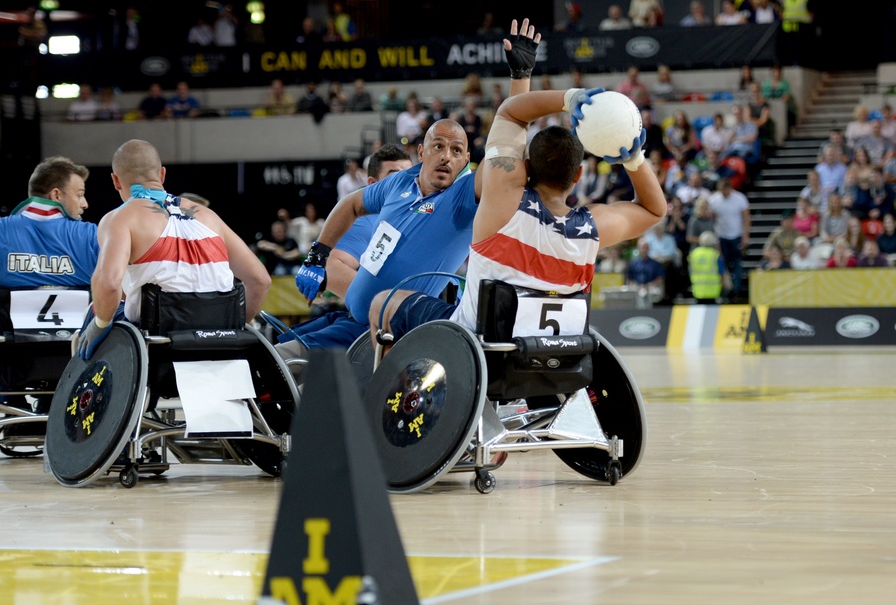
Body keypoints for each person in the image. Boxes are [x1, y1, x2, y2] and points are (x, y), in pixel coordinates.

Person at [291, 18, 542, 346]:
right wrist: (317, 256)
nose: (446, 157)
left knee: (283, 364)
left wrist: (520, 80)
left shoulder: (463, 197)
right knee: (276, 354)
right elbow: (351, 204)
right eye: (439, 146)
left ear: (466, 161)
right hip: (352, 321)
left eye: (456, 151)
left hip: (390, 337)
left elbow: (507, 153)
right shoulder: (400, 181)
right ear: (422, 151)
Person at [368, 85, 665, 340]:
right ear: (577, 176)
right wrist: (633, 157)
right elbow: (654, 209)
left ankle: (396, 398)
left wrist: (572, 97)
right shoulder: (592, 228)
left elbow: (510, 113)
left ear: (525, 169)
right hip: (554, 358)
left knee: (383, 303)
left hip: (481, 349)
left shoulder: (503, 201)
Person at [76, 140, 270, 359]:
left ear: (115, 181)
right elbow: (260, 280)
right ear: (162, 174)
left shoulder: (119, 218)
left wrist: (99, 325)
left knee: (96, 309)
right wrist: (231, 329)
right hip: (220, 337)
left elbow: (109, 283)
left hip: (158, 339)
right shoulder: (208, 216)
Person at [274, 145, 414, 358]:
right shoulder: (369, 220)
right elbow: (333, 267)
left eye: (408, 176)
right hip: (374, 329)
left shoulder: (417, 215)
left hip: (405, 326)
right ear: (373, 185)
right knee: (286, 359)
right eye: (394, 176)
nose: (403, 183)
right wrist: (384, 303)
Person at [0, 156, 98, 334]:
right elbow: (118, 288)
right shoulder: (92, 235)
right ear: (56, 195)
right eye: (80, 195)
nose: (85, 204)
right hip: (79, 355)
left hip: (8, 355)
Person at [708, 178, 750, 297]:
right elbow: (711, 217)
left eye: (725, 191)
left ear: (729, 188)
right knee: (723, 264)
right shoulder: (714, 199)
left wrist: (745, 236)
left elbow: (746, 218)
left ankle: (737, 289)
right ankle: (726, 289)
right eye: (721, 191)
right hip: (721, 236)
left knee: (737, 263)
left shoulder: (739, 198)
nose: (723, 193)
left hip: (736, 234)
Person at [688, 231, 727, 303]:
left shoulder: (694, 254)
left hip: (698, 290)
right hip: (713, 290)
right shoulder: (715, 255)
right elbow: (721, 272)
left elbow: (690, 270)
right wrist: (723, 285)